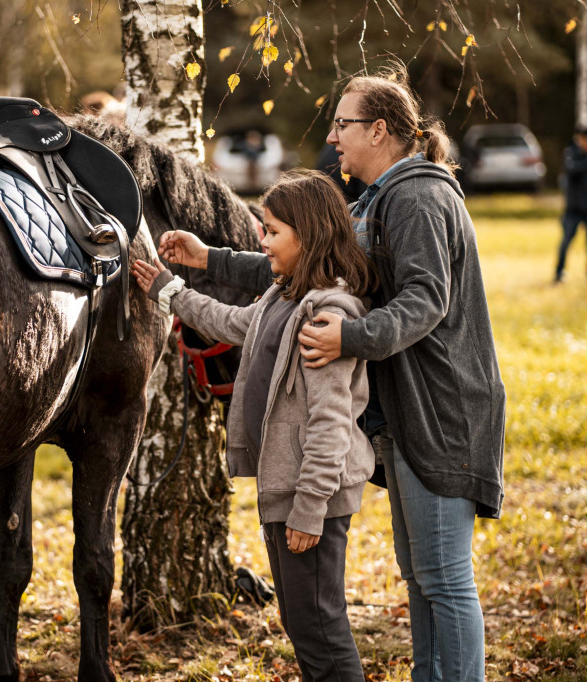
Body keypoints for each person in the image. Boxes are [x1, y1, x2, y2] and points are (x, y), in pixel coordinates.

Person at [158, 67, 505, 682]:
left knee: (445, 578)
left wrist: (352, 335)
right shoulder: (378, 200)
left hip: (444, 412)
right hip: (406, 414)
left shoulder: (420, 197)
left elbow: (427, 301)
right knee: (422, 576)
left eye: (343, 124)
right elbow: (311, 263)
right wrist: (211, 259)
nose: (334, 137)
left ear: (380, 130)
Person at [135, 170, 376, 681]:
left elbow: (331, 424)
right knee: (299, 620)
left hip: (312, 496)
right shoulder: (283, 296)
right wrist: (168, 291)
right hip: (284, 486)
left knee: (319, 625)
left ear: (306, 235)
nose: (261, 242)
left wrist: (310, 510)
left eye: (271, 232)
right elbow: (230, 323)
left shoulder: (325, 315)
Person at [555, 126, 587, 283]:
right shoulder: (571, 154)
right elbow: (572, 169)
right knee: (565, 242)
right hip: (573, 208)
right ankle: (559, 273)